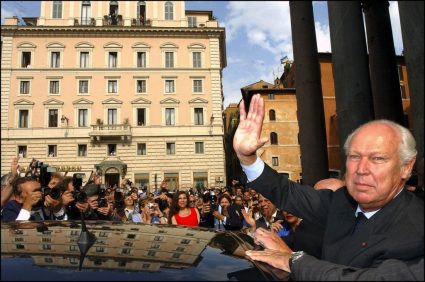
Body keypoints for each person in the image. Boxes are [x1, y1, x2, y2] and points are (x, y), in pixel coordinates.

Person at [234, 94, 423, 277]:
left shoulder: (416, 228)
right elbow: (287, 192)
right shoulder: (340, 202)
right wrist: (247, 158)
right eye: (355, 157)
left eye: (378, 158)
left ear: (406, 167)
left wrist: (293, 260)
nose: (362, 169)